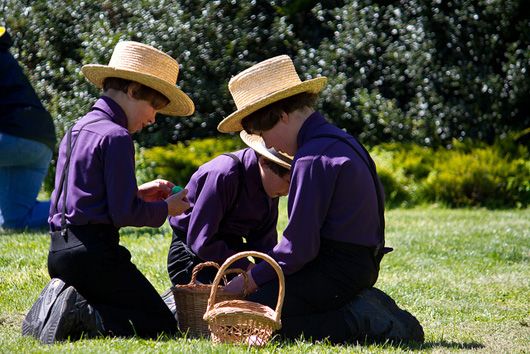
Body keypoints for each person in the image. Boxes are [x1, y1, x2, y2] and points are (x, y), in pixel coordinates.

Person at [217, 55, 424, 344]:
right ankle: (357, 304)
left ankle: (361, 318)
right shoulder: (339, 140)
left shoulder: (311, 157)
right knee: (265, 305)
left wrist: (252, 279)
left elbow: (298, 248)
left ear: (282, 115)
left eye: (263, 134)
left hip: (334, 270)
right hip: (356, 266)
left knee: (257, 316)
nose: (269, 146)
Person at [21, 41, 194, 344]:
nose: (153, 118)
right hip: (95, 255)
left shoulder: (78, 127)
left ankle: (60, 302)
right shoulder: (116, 136)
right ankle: (81, 310)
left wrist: (137, 192)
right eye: (154, 105)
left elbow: (80, 194)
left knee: (133, 305)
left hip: (60, 252)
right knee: (160, 325)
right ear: (132, 91)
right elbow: (124, 213)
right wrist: (168, 207)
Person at [166, 130, 292, 287]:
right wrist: (246, 268)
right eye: (288, 182)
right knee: (221, 302)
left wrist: (267, 272)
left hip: (231, 252)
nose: (288, 192)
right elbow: (201, 241)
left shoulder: (271, 186)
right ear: (265, 162)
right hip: (192, 255)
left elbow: (264, 243)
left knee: (266, 292)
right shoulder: (224, 174)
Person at [0, 27, 56, 229]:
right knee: (16, 221)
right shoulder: (4, 55)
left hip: (12, 134)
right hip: (40, 140)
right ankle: (93, 205)